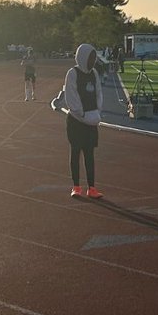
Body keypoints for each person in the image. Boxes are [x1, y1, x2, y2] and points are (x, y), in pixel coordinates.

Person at [62, 43, 104, 199]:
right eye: (90, 58)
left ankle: (92, 188)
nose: (92, 61)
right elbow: (71, 95)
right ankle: (76, 187)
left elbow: (99, 93)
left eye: (94, 58)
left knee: (89, 154)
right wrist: (81, 113)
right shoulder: (72, 73)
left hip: (91, 120)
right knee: (75, 152)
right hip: (76, 121)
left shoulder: (94, 73)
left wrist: (96, 112)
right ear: (82, 57)